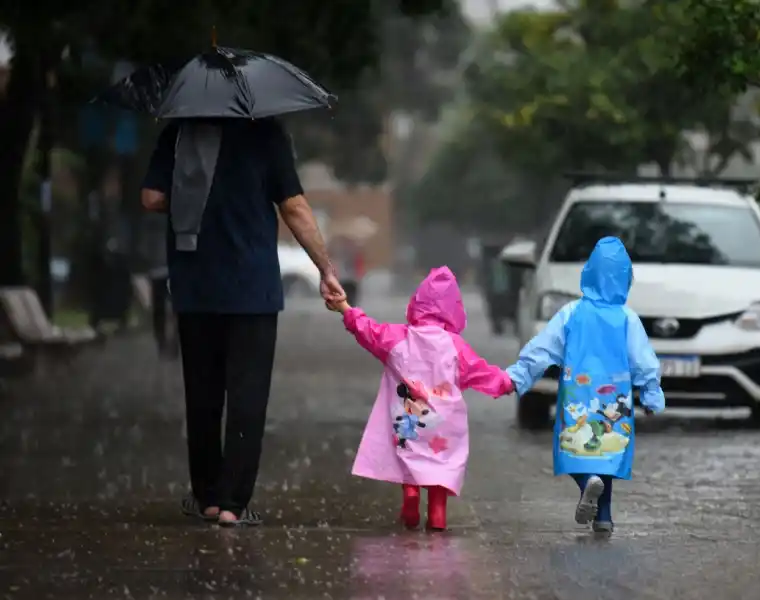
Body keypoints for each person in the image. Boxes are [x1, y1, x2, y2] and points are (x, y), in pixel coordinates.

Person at [140, 117, 345, 527]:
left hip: (195, 284)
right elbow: (294, 206)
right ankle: (233, 504)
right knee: (247, 398)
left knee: (202, 396)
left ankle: (208, 498)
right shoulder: (266, 133)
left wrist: (196, 196)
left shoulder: (179, 132)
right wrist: (325, 268)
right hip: (251, 288)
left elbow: (150, 198)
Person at [326, 266, 513, 531]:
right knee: (441, 464)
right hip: (444, 424)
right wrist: (506, 383)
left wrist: (345, 307)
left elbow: (367, 329)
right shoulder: (455, 346)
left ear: (417, 303)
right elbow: (480, 371)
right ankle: (437, 513)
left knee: (408, 450)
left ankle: (410, 494)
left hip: (409, 416)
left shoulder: (398, 338)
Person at [505, 237, 664, 534]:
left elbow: (543, 348)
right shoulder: (627, 318)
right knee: (608, 453)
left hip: (577, 395)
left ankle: (584, 485)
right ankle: (604, 518)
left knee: (573, 447)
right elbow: (644, 360)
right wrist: (652, 394)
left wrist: (519, 376)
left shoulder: (572, 313)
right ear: (626, 278)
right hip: (615, 399)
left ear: (589, 272)